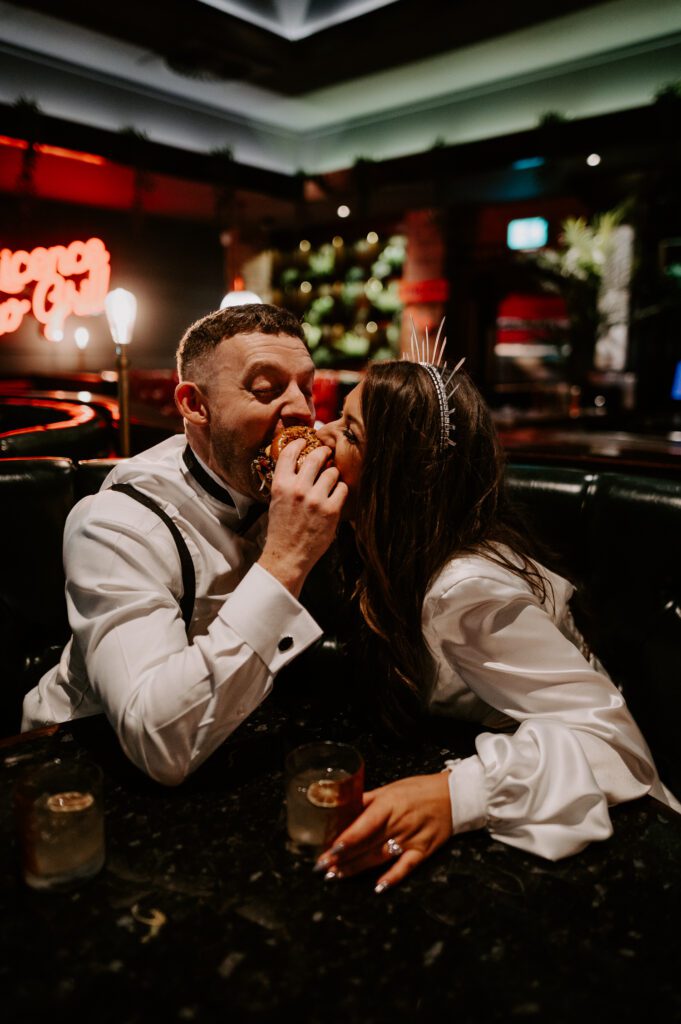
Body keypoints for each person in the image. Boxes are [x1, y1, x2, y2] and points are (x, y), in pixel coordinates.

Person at [313, 328, 680, 891]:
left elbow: (618, 748)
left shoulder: (464, 590)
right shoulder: (385, 554)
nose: (320, 433)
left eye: (349, 432)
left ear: (400, 480)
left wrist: (456, 795)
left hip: (631, 850)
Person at [22, 303, 346, 784]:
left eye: (306, 388)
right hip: (74, 762)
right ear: (195, 405)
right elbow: (158, 742)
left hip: (239, 745)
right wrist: (286, 557)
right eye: (266, 389)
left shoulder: (304, 490)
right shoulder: (116, 523)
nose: (301, 410)